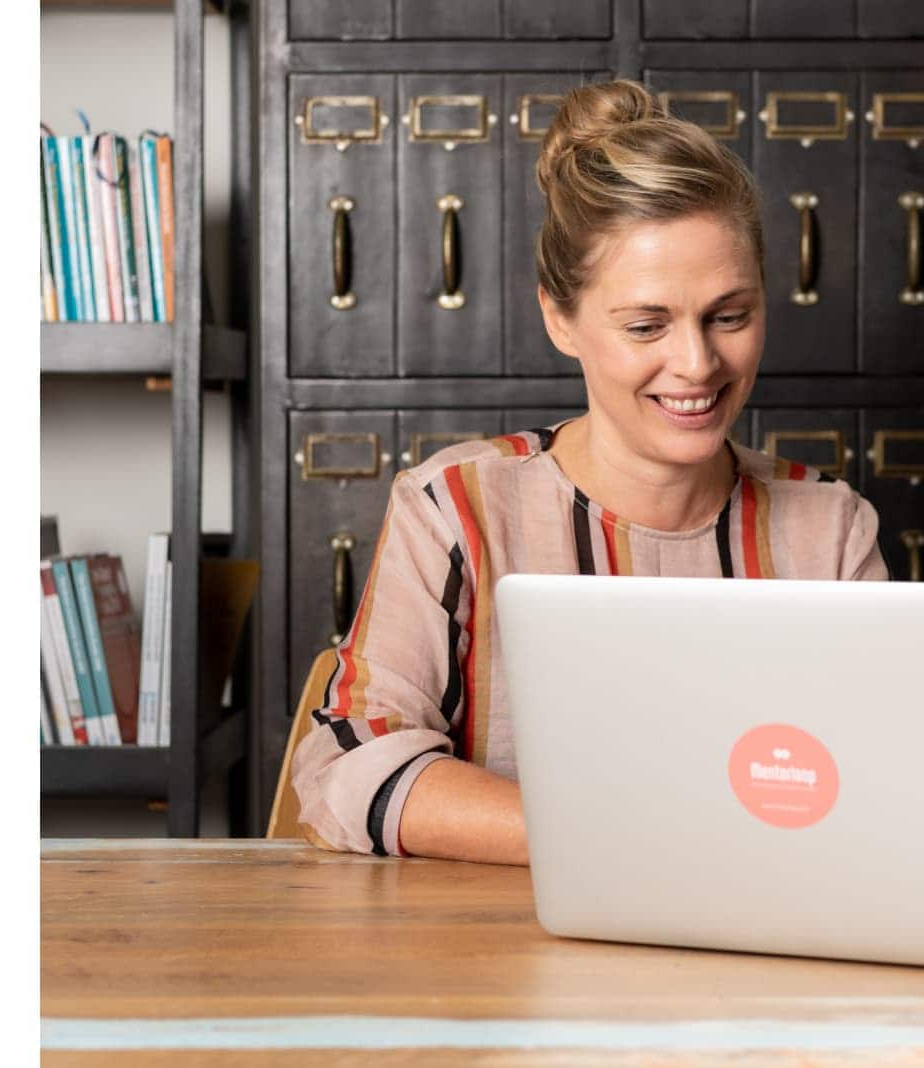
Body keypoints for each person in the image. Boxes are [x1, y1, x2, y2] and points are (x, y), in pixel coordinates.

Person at [288, 81, 888, 865]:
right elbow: (344, 772)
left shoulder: (832, 529)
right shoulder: (455, 508)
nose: (698, 364)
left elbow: (881, 789)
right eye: (647, 325)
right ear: (559, 318)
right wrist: (629, 839)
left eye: (729, 316)